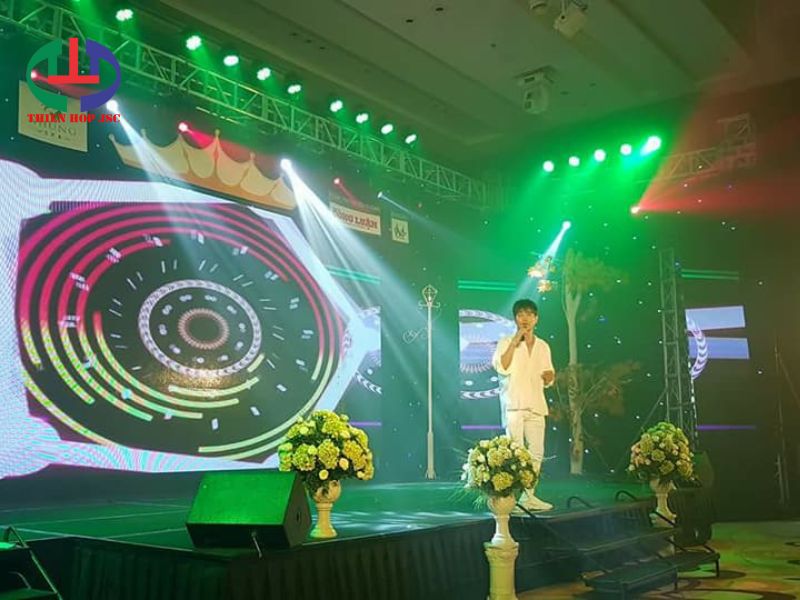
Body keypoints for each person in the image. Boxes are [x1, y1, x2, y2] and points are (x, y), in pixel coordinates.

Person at [491, 299, 555, 511]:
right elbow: (502, 367)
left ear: (536, 318)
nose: (525, 318)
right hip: (514, 405)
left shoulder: (543, 346)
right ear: (515, 319)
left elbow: (549, 374)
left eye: (529, 314)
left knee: (536, 452)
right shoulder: (505, 342)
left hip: (536, 405)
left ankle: (529, 497)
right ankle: (511, 497)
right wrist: (515, 342)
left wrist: (549, 377)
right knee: (515, 452)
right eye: (520, 314)